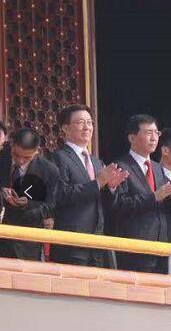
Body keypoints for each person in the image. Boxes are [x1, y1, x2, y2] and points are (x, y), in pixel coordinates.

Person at [108, 114, 171, 273]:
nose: (154, 138)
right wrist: (154, 197)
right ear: (132, 138)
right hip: (136, 248)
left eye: (156, 133)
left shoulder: (158, 168)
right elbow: (119, 204)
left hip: (161, 247)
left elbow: (164, 206)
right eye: (148, 133)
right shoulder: (121, 166)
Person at [48, 104, 127, 267]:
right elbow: (60, 195)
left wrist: (111, 188)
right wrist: (97, 183)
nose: (87, 127)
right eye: (80, 122)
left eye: (90, 122)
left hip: (96, 243)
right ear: (65, 128)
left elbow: (106, 204)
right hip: (71, 243)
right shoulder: (58, 158)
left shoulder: (97, 162)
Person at [0, 128, 58, 261]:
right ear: (12, 144)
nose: (20, 161)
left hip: (28, 243)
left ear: (37, 152)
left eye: (27, 157)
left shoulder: (49, 171)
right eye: (16, 155)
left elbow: (50, 206)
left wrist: (27, 204)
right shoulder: (2, 158)